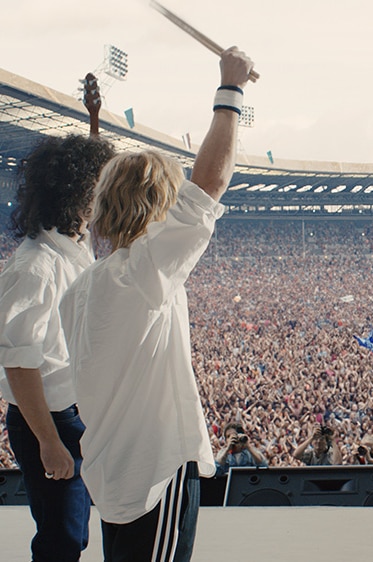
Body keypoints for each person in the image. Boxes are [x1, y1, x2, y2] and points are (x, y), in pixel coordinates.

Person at [59, 47, 254, 562]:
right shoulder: (143, 276)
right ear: (157, 211)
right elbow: (209, 186)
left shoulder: (82, 288)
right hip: (155, 477)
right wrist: (229, 90)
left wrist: (98, 132)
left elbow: (112, 213)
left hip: (111, 474)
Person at [0, 73, 114, 562]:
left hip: (76, 415)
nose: (102, 201)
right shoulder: (34, 267)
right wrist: (49, 442)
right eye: (95, 192)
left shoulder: (69, 243)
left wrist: (93, 122)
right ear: (74, 197)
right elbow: (19, 362)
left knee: (77, 528)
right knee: (62, 536)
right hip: (46, 421)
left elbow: (93, 174)